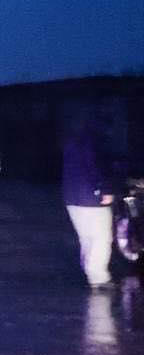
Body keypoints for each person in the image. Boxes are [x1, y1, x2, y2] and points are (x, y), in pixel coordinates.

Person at [61, 116, 114, 287]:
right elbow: (95, 169)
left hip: (72, 197)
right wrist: (104, 190)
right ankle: (98, 277)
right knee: (101, 238)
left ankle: (89, 271)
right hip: (91, 198)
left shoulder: (71, 143)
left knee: (86, 238)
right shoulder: (92, 144)